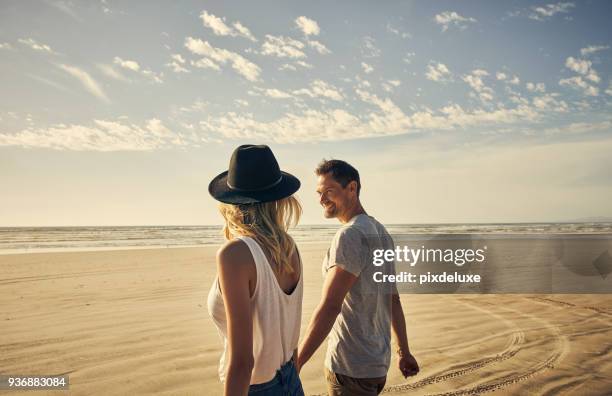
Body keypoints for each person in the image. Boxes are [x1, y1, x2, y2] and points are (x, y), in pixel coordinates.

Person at [297, 159, 419, 396]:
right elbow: (392, 299)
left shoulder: (350, 235)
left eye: (329, 191)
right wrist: (403, 352)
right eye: (319, 193)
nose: (321, 199)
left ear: (351, 188)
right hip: (375, 366)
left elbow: (330, 306)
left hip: (350, 367)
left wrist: (297, 362)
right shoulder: (381, 233)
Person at [207, 144, 305, 396]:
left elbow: (242, 362)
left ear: (231, 201)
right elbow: (288, 330)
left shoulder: (235, 255)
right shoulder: (288, 248)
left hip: (257, 388)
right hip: (290, 379)